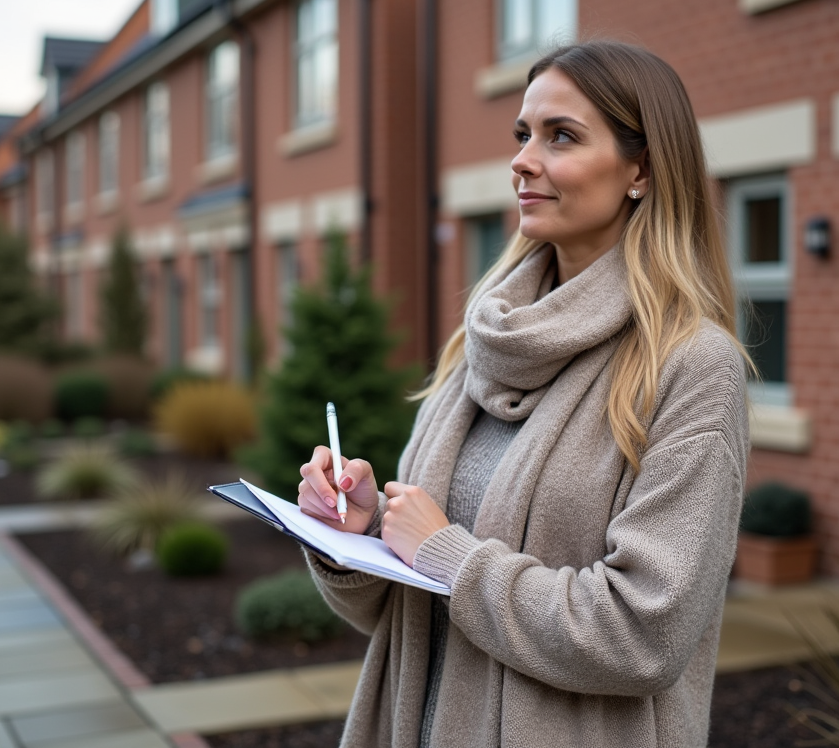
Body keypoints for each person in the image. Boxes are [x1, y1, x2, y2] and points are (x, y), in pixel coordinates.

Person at [298, 40, 750, 748]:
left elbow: (644, 632)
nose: (522, 159)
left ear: (642, 169)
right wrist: (353, 540)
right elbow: (408, 613)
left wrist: (448, 554)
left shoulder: (692, 366)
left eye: (560, 136)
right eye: (523, 134)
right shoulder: (485, 341)